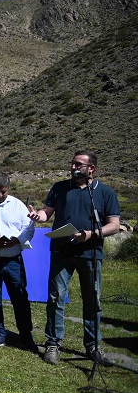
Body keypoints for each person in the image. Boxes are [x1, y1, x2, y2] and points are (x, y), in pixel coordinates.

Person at [27, 151, 120, 365]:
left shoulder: (104, 192)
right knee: (56, 297)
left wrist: (90, 234)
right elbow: (46, 212)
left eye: (78, 164)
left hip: (91, 253)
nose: (73, 168)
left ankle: (93, 346)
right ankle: (53, 343)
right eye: (72, 164)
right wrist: (38, 216)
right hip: (62, 251)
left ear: (91, 169)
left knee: (92, 300)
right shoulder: (60, 188)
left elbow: (114, 225)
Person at [0, 172, 36, 351]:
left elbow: (28, 228)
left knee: (20, 297)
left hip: (13, 259)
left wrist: (17, 240)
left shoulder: (18, 205)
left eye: (3, 192)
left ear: (8, 189)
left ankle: (26, 334)